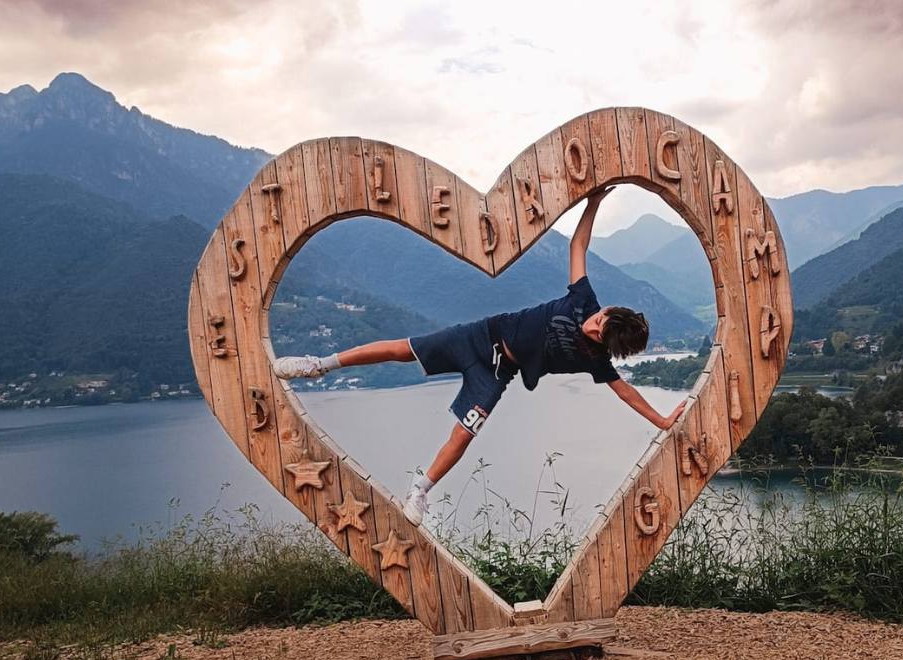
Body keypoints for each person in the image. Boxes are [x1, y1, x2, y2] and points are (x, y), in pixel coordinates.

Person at [272, 187, 686, 524]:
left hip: (498, 372)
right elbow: (578, 244)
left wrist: (663, 421)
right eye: (598, 320)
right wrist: (593, 203)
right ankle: (317, 365)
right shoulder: (583, 299)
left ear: (607, 344)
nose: (590, 325)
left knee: (465, 433)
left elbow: (626, 392)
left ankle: (420, 490)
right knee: (401, 350)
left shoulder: (596, 360)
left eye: (598, 332)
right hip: (476, 337)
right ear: (606, 309)